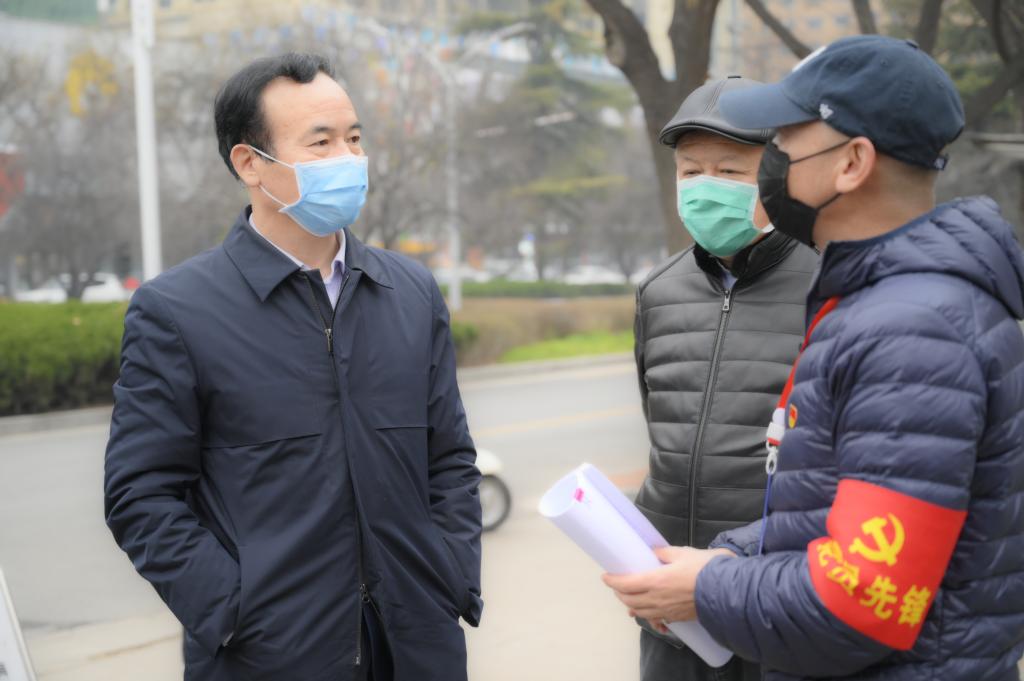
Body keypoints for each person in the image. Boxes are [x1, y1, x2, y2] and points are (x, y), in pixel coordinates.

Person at [604, 35, 1024, 680]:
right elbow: (832, 510)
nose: (772, 159)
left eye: (787, 140)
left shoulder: (912, 330)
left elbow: (861, 601)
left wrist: (707, 588)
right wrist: (730, 557)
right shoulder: (877, 301)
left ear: (852, 163)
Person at [104, 53, 482, 681]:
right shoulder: (177, 310)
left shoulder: (410, 291)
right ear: (249, 163)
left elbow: (450, 460)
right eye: (321, 142)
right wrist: (234, 612)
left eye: (354, 138)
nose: (348, 158)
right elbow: (141, 494)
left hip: (418, 646)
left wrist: (452, 578)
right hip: (269, 658)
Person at [632, 75, 817, 681]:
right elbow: (660, 431)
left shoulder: (829, 283)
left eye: (730, 171)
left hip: (778, 609)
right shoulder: (658, 291)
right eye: (691, 171)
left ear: (779, 175)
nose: (705, 186)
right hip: (669, 618)